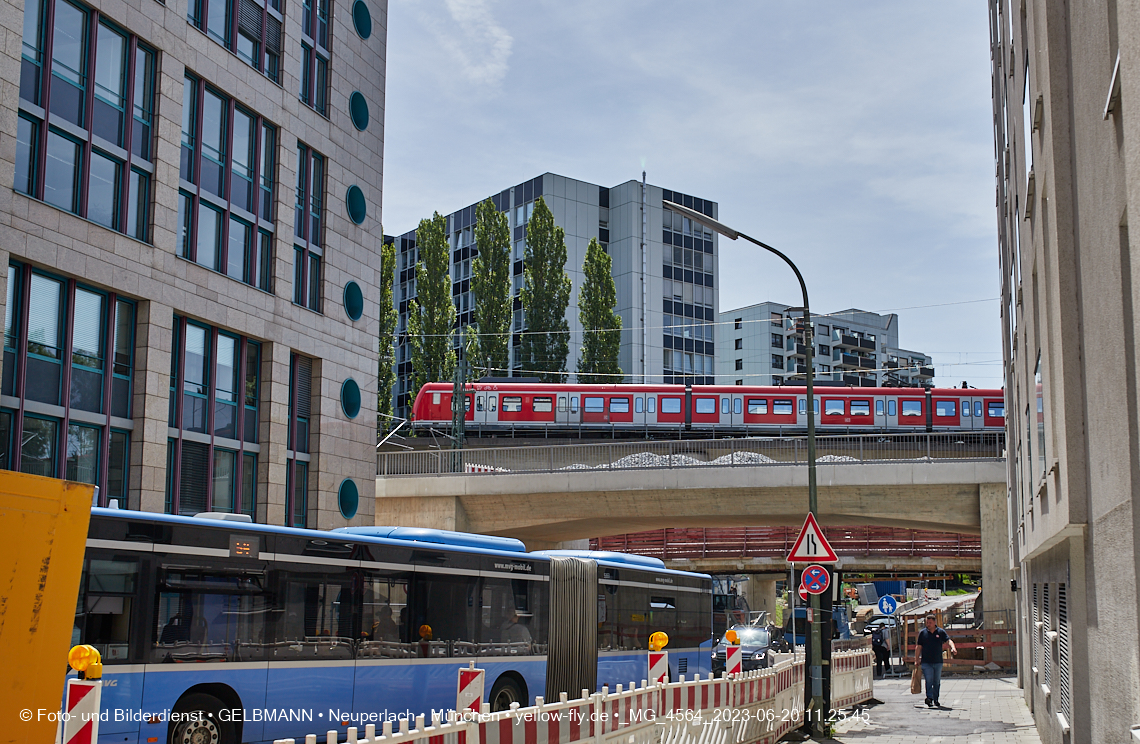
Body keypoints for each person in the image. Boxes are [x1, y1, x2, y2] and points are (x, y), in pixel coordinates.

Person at [913, 613, 956, 708]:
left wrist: (953, 648)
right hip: (926, 661)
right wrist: (916, 659)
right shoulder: (923, 633)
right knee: (929, 680)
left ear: (934, 622)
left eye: (930, 622)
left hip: (938, 661)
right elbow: (918, 647)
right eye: (927, 622)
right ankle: (929, 698)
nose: (928, 624)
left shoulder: (940, 632)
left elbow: (948, 640)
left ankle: (936, 699)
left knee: (936, 681)